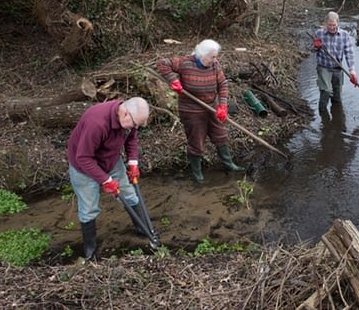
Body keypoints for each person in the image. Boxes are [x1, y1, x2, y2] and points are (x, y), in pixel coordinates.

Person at [67, 97, 151, 260]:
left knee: (128, 194)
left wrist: (133, 162)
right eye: (135, 124)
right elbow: (83, 157)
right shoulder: (97, 123)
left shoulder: (129, 119)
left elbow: (131, 139)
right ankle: (90, 249)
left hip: (111, 160)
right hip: (83, 167)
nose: (135, 127)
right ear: (125, 113)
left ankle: (143, 229)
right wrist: (106, 180)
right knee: (89, 207)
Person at [156, 39, 244, 184]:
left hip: (211, 107)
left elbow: (222, 83)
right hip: (191, 111)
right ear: (202, 55)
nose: (215, 59)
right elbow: (162, 63)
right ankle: (197, 174)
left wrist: (222, 105)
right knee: (196, 142)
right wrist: (173, 80)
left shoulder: (214, 65)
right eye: (212, 56)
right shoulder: (185, 62)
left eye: (216, 56)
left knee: (220, 135)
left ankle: (229, 165)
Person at [312, 11, 358, 113]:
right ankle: (323, 116)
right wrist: (316, 46)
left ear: (338, 23)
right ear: (325, 23)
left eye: (334, 25)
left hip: (337, 68)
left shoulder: (344, 35)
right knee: (326, 91)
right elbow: (312, 50)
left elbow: (349, 53)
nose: (332, 27)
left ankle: (338, 121)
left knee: (337, 97)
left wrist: (352, 70)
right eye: (329, 25)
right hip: (323, 67)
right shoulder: (319, 33)